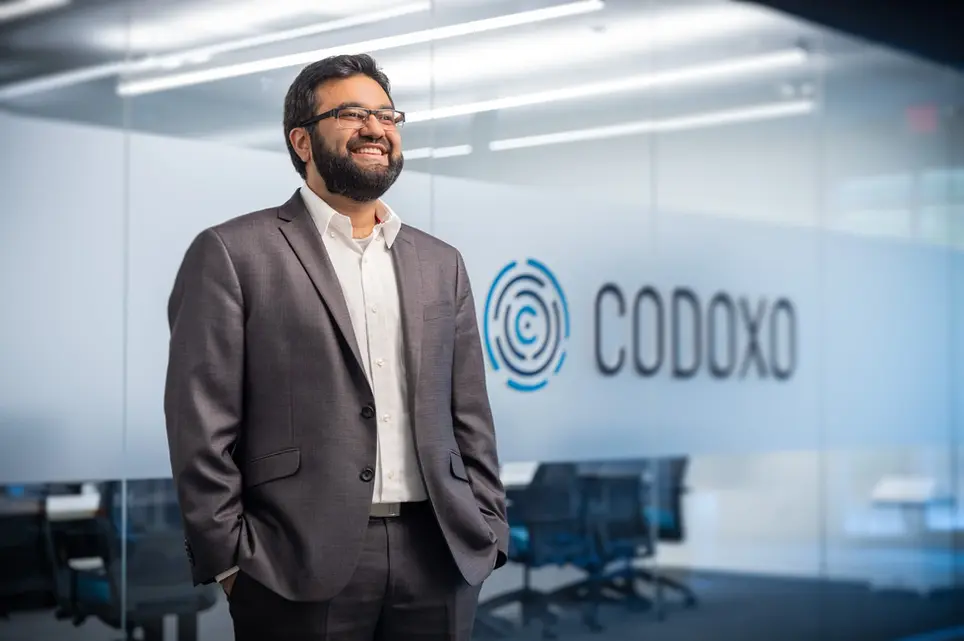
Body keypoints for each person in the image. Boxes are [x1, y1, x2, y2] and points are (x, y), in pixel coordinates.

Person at [163, 53, 508, 641]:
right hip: (292, 556)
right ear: (302, 140)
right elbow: (200, 423)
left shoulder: (440, 262)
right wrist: (228, 559)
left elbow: (468, 412)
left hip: (440, 550)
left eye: (387, 116)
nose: (377, 129)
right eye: (352, 114)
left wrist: (489, 526)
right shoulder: (233, 253)